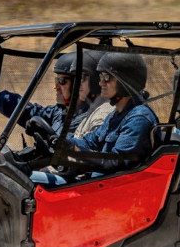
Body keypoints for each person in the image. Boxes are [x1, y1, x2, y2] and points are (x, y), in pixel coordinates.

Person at [30, 52, 159, 185]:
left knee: (31, 183)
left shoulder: (138, 118)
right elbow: (89, 142)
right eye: (100, 77)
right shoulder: (116, 115)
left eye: (107, 77)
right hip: (96, 184)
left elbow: (115, 162)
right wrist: (56, 140)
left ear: (124, 81)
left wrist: (76, 151)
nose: (100, 83)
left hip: (110, 192)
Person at [0, 50, 105, 137]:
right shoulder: (61, 112)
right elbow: (27, 112)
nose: (56, 87)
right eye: (56, 80)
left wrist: (50, 139)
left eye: (62, 81)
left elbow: (82, 153)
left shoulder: (95, 119)